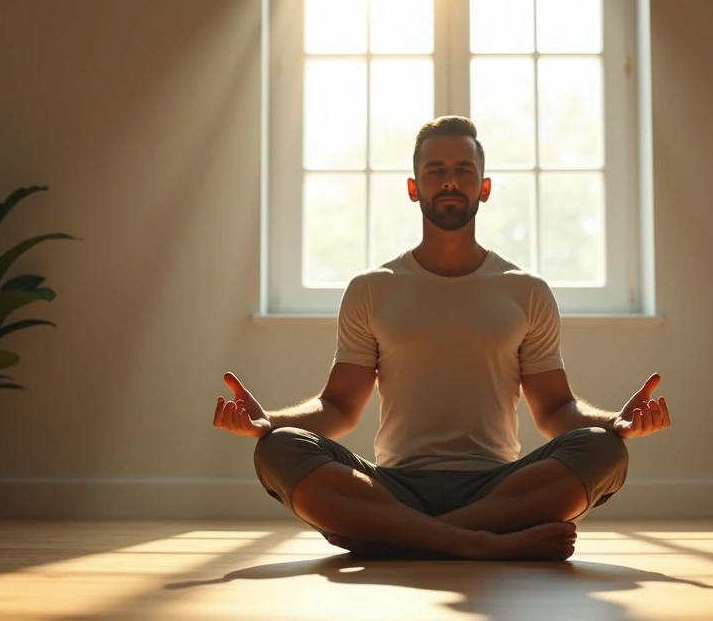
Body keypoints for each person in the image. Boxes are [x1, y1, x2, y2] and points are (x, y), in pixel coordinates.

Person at [213, 116, 671, 561]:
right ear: (414, 189)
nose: (449, 181)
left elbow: (554, 411)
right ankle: (478, 542)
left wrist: (616, 422)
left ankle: (402, 538)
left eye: (463, 170)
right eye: (435, 171)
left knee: (604, 450)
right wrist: (267, 421)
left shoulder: (525, 290)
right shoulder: (372, 289)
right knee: (277, 449)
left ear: (483, 188)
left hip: (499, 487)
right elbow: (338, 408)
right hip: (392, 488)